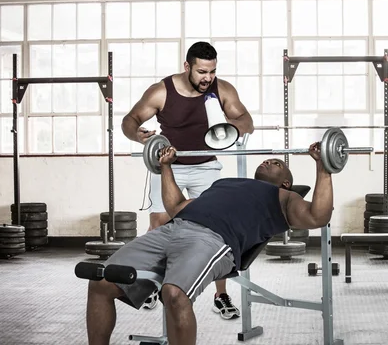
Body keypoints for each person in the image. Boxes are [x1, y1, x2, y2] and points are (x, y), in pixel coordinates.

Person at [85, 141, 334, 345]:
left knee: (174, 294)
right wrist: (166, 167)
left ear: (286, 182)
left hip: (213, 239)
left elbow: (318, 216)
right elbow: (176, 207)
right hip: (172, 229)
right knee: (101, 281)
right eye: (268, 159)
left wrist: (323, 168)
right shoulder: (223, 183)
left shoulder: (284, 197)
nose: (268, 160)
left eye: (276, 162)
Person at [121, 41, 254, 317]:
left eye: (212, 71)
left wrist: (231, 127)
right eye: (202, 71)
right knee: (159, 223)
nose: (208, 78)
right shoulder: (162, 91)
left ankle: (221, 295)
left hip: (206, 165)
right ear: (187, 67)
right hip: (168, 165)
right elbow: (130, 119)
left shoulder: (222, 89)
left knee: (218, 228)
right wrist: (138, 135)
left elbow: (246, 120)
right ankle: (148, 285)